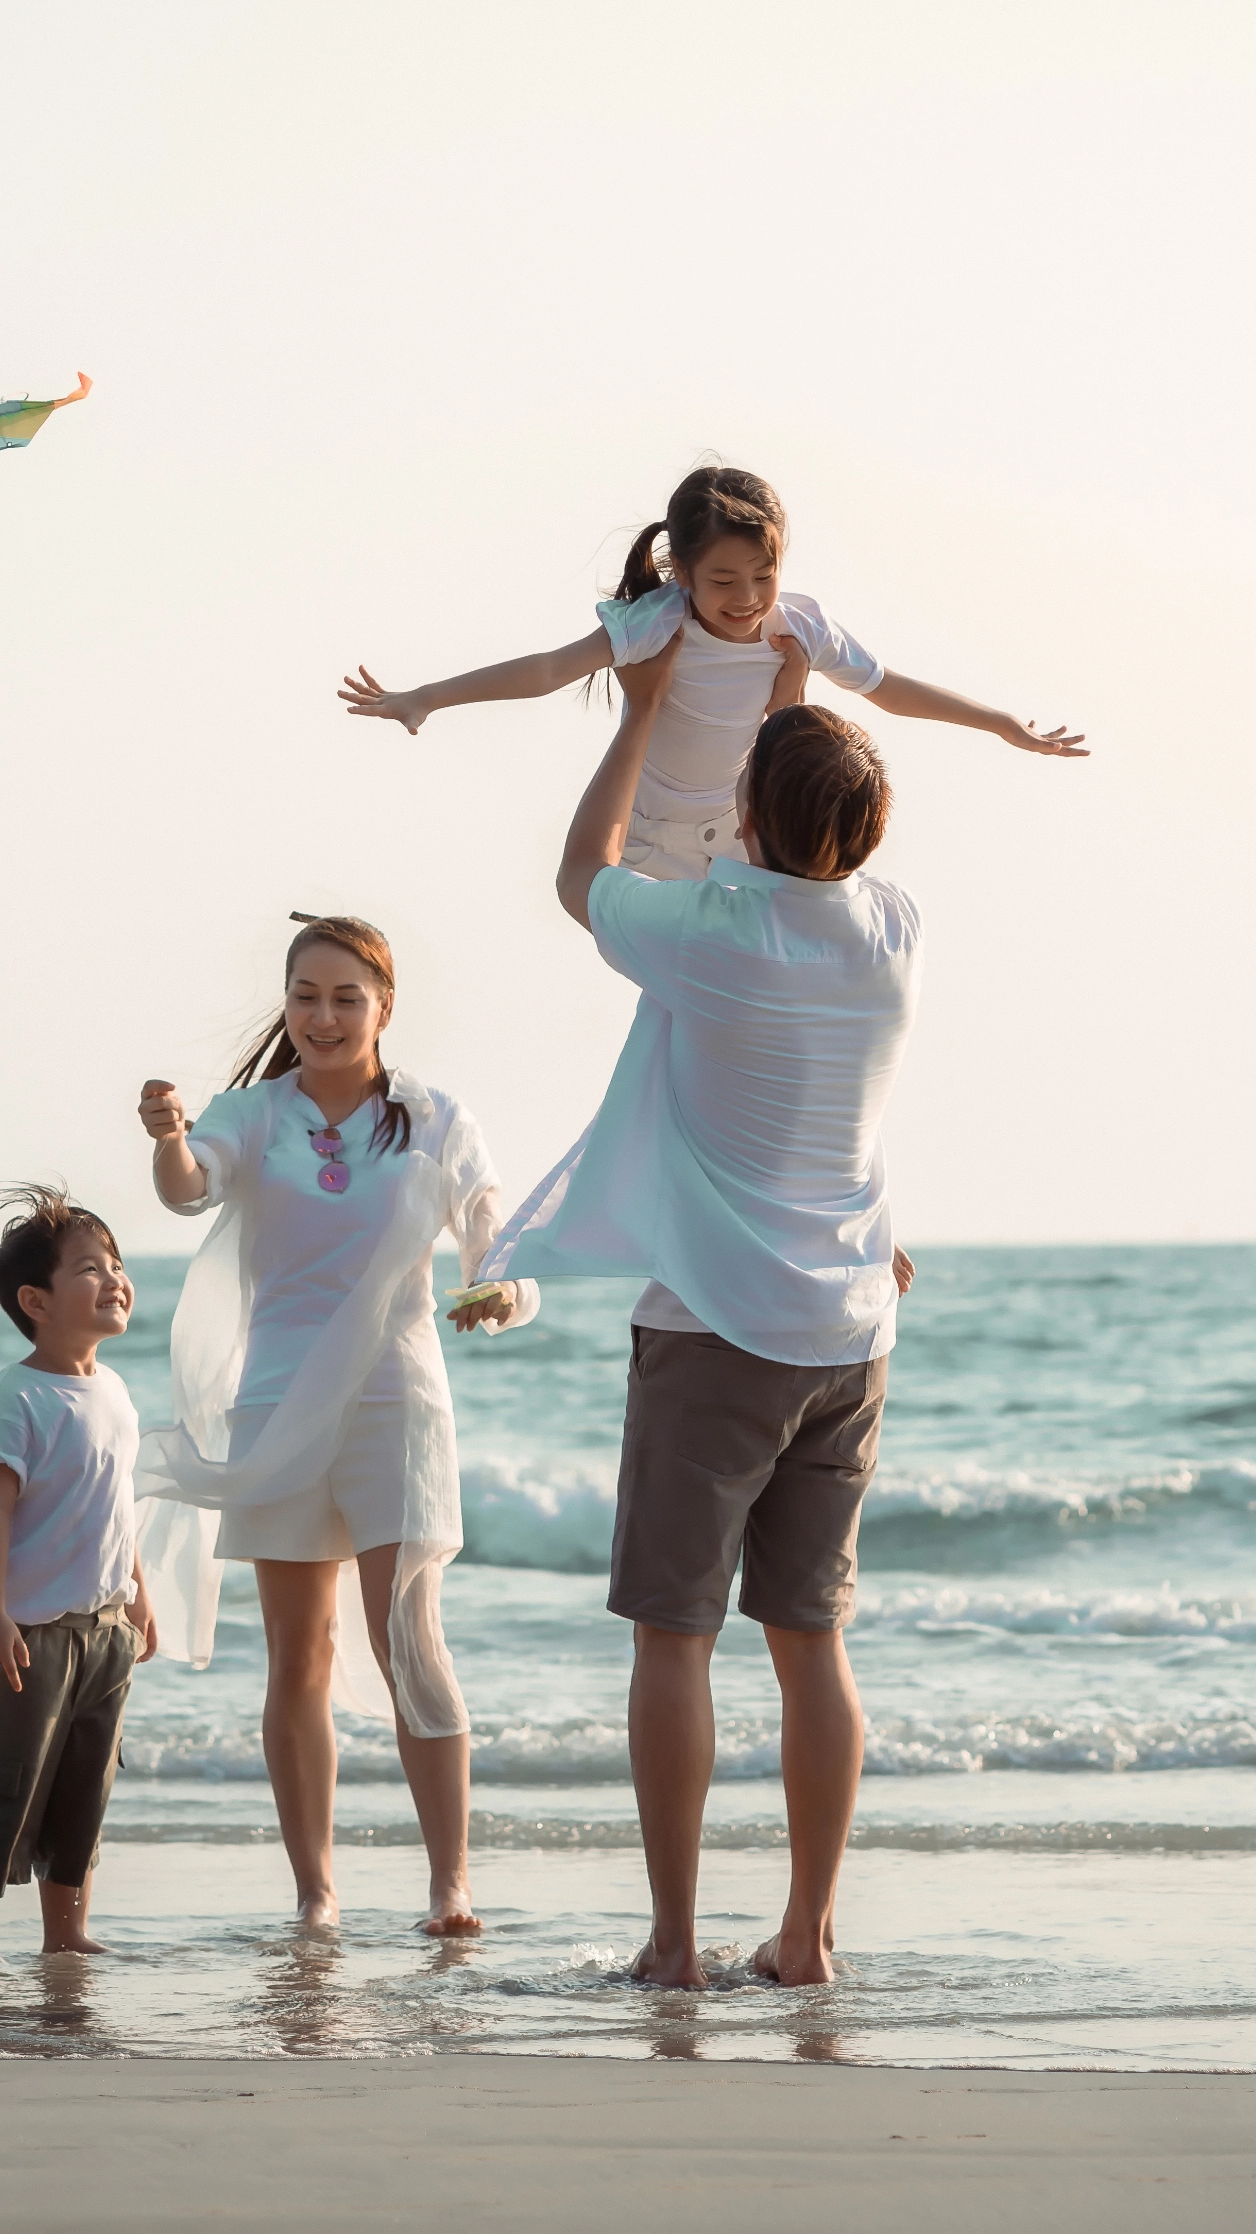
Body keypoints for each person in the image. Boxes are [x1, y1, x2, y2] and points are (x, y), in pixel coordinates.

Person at [481, 643, 922, 1988]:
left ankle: (674, 1944)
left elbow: (579, 873)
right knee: (811, 1641)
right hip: (849, 1335)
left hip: (717, 1328)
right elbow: (807, 822)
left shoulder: (707, 937)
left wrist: (642, 711)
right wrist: (785, 691)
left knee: (676, 1636)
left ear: (745, 815)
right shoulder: (894, 930)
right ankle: (809, 1938)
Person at [132, 914, 538, 1938]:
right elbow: (189, 1191)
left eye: (345, 996)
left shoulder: (433, 1115)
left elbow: (495, 1232)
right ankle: (315, 1893)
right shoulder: (251, 1113)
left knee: (411, 1635)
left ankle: (451, 1883)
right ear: (287, 1004)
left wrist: (502, 1289)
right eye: (305, 995)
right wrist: (170, 1136)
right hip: (273, 1402)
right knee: (296, 1654)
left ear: (382, 1006)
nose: (322, 1015)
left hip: (398, 1399)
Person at [337, 462, 1083, 883]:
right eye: (724, 581)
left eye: (764, 575)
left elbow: (888, 689)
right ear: (683, 571)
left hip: (739, 833)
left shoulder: (800, 625)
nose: (748, 600)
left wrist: (999, 724)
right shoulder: (659, 622)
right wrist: (425, 697)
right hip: (650, 834)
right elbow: (547, 670)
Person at [0, 1185, 163, 1963]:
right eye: (88, 1270)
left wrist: (137, 1593)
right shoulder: (17, 1400)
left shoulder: (115, 1392)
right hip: (24, 1632)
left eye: (116, 1265)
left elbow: (116, 1503)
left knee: (84, 1786)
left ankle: (66, 1934)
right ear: (36, 1299)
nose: (113, 1280)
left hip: (103, 1630)